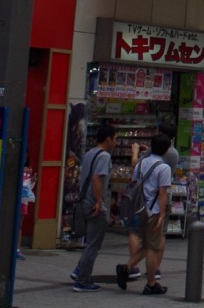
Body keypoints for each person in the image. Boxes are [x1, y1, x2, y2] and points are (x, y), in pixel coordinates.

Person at [117, 132, 174, 295]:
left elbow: (134, 181)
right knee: (151, 248)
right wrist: (162, 215)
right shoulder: (164, 168)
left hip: (139, 209)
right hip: (153, 211)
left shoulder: (141, 163)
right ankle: (151, 283)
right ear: (166, 149)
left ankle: (125, 268)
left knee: (147, 245)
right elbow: (162, 193)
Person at [71, 123, 118, 291]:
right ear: (108, 139)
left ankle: (79, 271)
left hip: (83, 201)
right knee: (93, 245)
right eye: (115, 139)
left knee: (90, 242)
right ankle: (82, 280)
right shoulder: (104, 156)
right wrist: (99, 201)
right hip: (94, 204)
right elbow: (97, 179)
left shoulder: (90, 153)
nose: (115, 142)